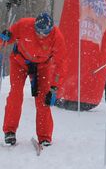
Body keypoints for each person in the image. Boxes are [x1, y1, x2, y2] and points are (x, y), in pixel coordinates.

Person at [1, 13, 66, 146]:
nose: (41, 35)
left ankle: (44, 136)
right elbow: (8, 37)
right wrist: (3, 38)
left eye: (45, 33)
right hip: (19, 62)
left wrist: (54, 88)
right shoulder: (24, 24)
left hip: (42, 67)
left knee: (43, 100)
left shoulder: (56, 37)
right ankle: (10, 131)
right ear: (34, 26)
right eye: (38, 32)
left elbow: (61, 64)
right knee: (16, 94)